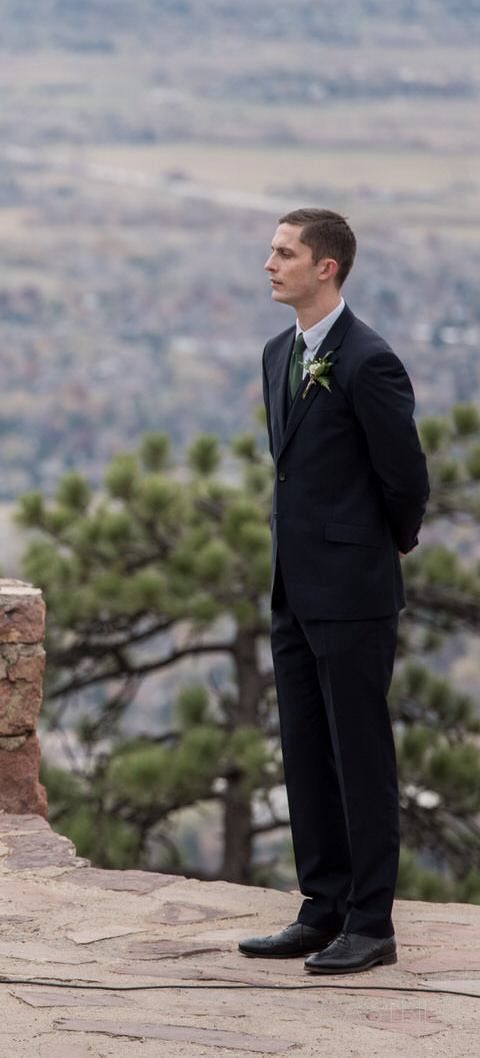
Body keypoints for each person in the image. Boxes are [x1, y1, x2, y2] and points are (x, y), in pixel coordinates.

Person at [238, 209, 428, 975]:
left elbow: (405, 480)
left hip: (352, 592)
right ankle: (322, 907)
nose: (269, 263)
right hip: (294, 588)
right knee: (307, 752)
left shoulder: (367, 361)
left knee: (360, 757)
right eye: (271, 249)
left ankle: (371, 922)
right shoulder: (278, 351)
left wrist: (375, 549)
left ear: (328, 267)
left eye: (285, 252)